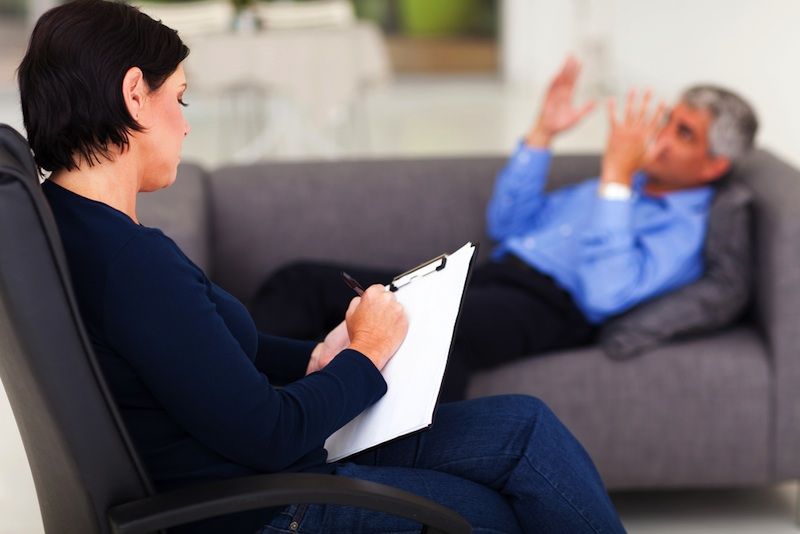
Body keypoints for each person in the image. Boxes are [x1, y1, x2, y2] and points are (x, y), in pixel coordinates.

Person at [18, 2, 625, 532]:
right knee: (496, 511)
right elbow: (271, 433)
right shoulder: (132, 264)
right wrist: (365, 355)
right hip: (264, 507)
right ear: (133, 96)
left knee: (523, 424)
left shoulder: (63, 224)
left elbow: (199, 360)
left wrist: (315, 356)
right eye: (178, 97)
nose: (186, 121)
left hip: (245, 475)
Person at [250, 57, 759, 401]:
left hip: (550, 307)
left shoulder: (689, 227)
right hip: (491, 274)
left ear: (714, 166)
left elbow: (606, 294)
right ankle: (234, 396)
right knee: (304, 281)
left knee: (429, 336)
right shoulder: (624, 184)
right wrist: (542, 133)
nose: (661, 137)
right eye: (669, 120)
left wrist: (616, 178)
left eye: (683, 133)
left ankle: (319, 452)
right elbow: (509, 224)